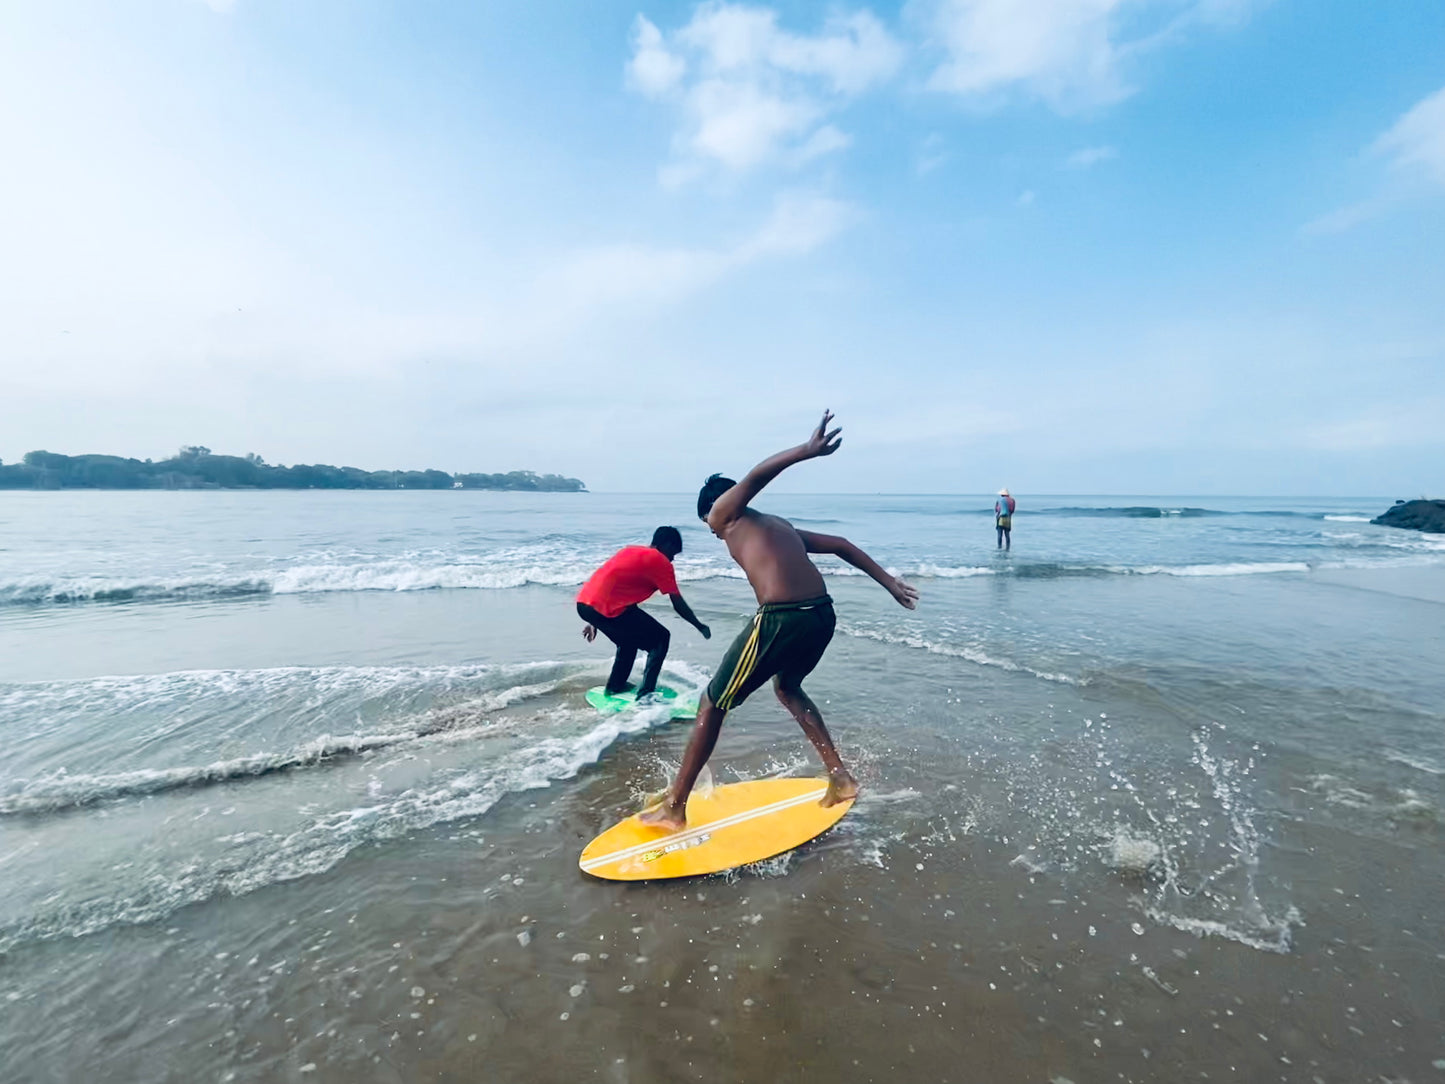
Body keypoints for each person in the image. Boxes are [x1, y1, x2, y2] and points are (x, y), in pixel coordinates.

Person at [638, 411, 919, 831]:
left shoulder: (722, 515)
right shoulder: (780, 525)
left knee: (712, 703)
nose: (715, 533)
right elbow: (841, 544)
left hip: (783, 617)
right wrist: (889, 583)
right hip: (821, 615)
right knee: (787, 688)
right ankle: (840, 778)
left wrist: (805, 452)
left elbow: (753, 478)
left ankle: (675, 808)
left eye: (710, 525)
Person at [577, 527, 710, 699]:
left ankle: (615, 686)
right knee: (660, 639)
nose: (672, 559)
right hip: (607, 607)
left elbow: (609, 583)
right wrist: (698, 625)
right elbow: (677, 603)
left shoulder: (629, 551)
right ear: (666, 545)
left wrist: (593, 620)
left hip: (585, 605)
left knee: (628, 641)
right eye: (673, 553)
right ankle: (646, 695)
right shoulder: (660, 561)